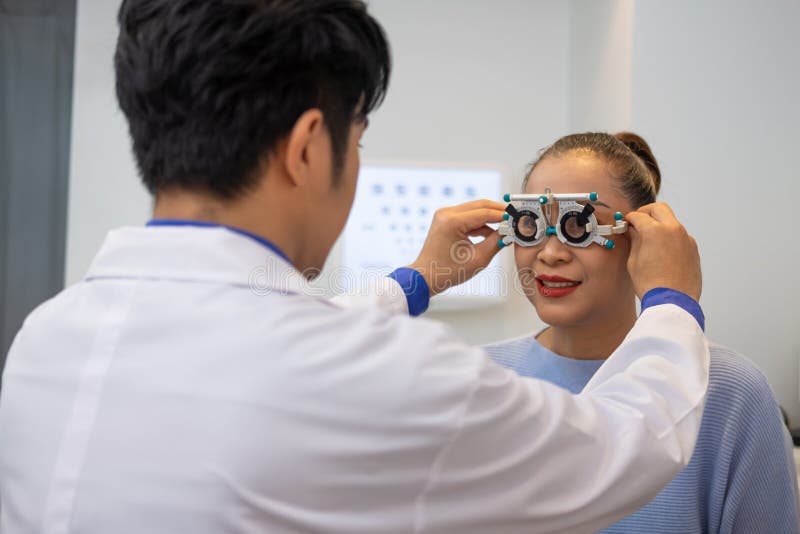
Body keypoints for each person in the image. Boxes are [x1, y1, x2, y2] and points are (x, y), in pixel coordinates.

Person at [0, 2, 707, 533]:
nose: (551, 248)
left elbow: (269, 349)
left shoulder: (45, 341)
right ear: (310, 147)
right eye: (357, 140)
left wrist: (416, 282)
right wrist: (672, 302)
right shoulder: (378, 374)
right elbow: (618, 453)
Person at [485, 131, 800, 533]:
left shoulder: (731, 391)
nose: (550, 253)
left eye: (578, 225)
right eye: (530, 223)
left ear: (643, 235)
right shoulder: (476, 375)